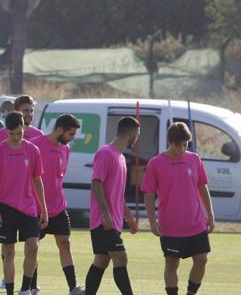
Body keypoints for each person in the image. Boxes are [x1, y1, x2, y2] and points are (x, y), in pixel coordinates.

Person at [142, 122, 214, 295]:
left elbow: (202, 187)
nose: (182, 148)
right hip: (170, 226)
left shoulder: (194, 159)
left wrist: (210, 214)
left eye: (185, 144)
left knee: (201, 259)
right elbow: (149, 194)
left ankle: (191, 293)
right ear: (170, 142)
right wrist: (152, 220)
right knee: (172, 263)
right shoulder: (155, 163)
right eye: (179, 145)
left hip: (196, 223)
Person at [0, 113, 49, 295]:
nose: (15, 137)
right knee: (9, 251)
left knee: (33, 246)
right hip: (5, 207)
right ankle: (10, 291)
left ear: (24, 129)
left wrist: (44, 208)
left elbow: (37, 180)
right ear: (6, 131)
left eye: (19, 133)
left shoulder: (33, 150)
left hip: (28, 208)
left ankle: (25, 288)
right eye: (12, 134)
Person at [30, 114, 84, 295]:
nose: (72, 138)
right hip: (36, 207)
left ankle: (73, 287)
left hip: (59, 206)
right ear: (60, 130)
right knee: (33, 246)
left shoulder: (65, 148)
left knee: (65, 243)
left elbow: (58, 177)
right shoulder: (35, 145)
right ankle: (32, 286)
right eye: (71, 133)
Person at [85, 116, 140, 295]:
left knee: (101, 260)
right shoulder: (105, 153)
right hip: (104, 220)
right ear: (131, 133)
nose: (137, 139)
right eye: (137, 135)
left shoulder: (121, 158)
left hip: (113, 221)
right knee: (121, 258)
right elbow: (96, 183)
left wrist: (129, 218)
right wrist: (105, 213)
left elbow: (118, 194)